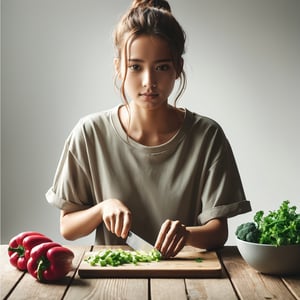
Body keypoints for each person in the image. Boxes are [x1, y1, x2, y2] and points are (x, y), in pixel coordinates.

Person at [46, 0, 251, 258]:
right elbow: (68, 227)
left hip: (188, 277)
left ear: (178, 68)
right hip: (114, 283)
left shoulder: (208, 136)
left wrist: (187, 234)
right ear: (118, 68)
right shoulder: (89, 133)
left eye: (162, 67)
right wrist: (102, 208)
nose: (149, 81)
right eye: (135, 67)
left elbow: (218, 232)